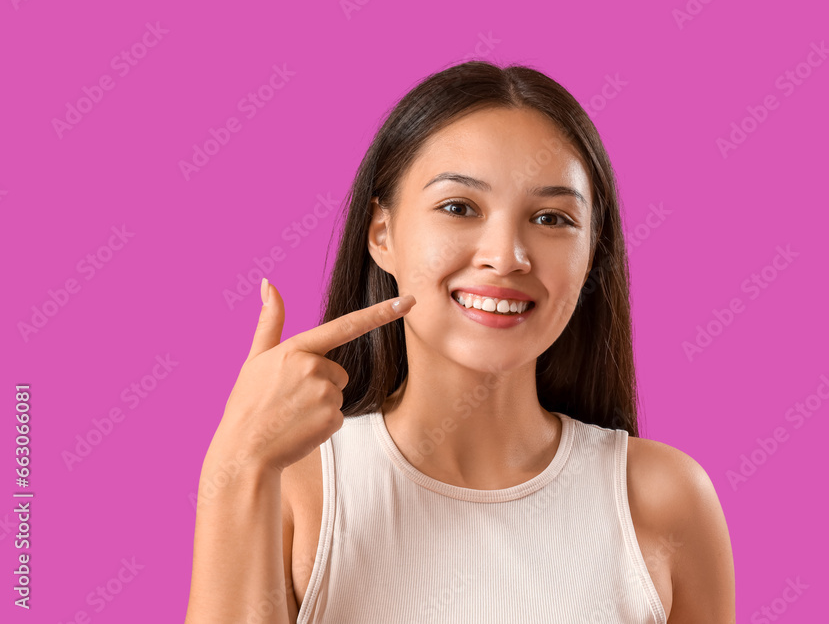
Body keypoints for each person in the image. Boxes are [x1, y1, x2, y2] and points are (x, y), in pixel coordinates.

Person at [184, 60, 735, 623]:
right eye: (458, 208)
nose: (506, 256)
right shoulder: (295, 486)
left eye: (551, 218)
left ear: (592, 251)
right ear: (382, 233)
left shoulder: (666, 498)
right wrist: (238, 463)